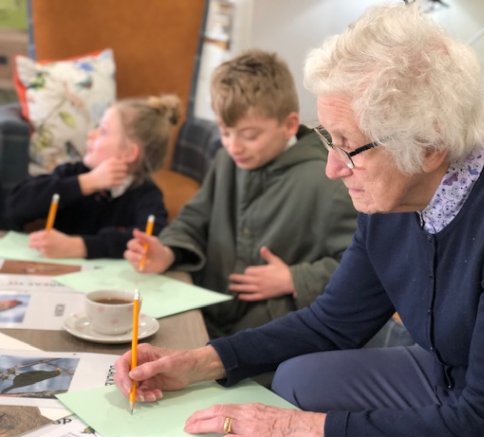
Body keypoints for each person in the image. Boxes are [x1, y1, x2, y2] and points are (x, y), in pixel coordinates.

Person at [114, 4, 484, 437]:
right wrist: (198, 361)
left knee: (302, 421)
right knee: (300, 380)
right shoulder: (394, 189)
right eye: (327, 137)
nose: (332, 168)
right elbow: (333, 321)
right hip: (451, 374)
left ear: (430, 145)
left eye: (347, 146)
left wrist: (305, 430)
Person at [124, 49, 357, 337]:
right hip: (207, 313)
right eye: (225, 132)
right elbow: (194, 219)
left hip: (272, 331)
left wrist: (295, 278)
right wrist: (168, 251)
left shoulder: (327, 182)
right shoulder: (226, 160)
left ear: (289, 125)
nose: (234, 146)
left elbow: (361, 266)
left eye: (249, 135)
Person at [6, 95, 179, 259]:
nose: (91, 134)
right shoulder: (74, 173)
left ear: (128, 152)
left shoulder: (147, 194)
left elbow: (151, 238)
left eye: (103, 131)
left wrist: (79, 246)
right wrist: (85, 183)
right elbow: (14, 206)